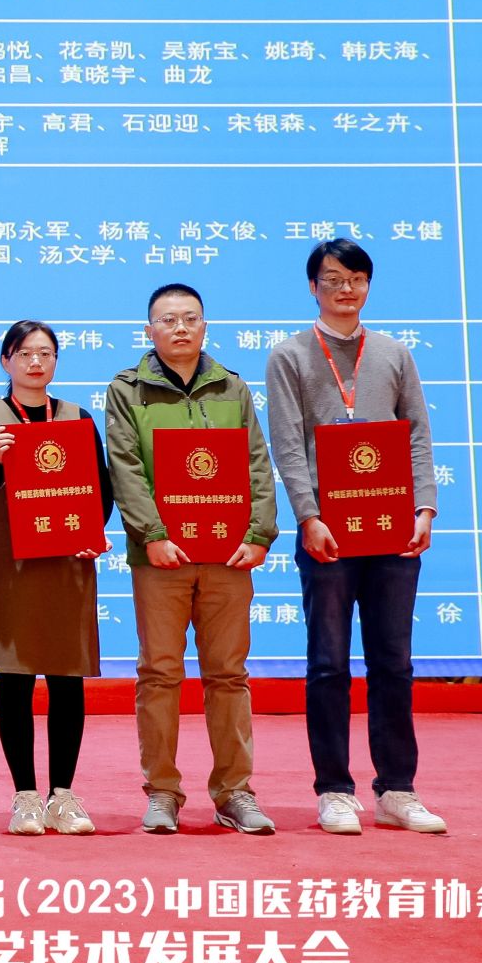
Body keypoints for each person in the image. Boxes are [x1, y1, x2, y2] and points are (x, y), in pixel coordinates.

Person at [266, 239, 445, 835]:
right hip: (328, 534)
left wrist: (424, 507)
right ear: (312, 287)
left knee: (394, 663)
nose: (346, 288)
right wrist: (307, 516)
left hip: (393, 531)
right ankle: (334, 791)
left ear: (369, 285)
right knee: (328, 665)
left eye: (357, 278)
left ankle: (397, 789)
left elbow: (416, 432)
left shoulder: (393, 352)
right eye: (333, 278)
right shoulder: (289, 355)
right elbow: (288, 442)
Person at [106, 282, 279, 836]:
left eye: (190, 318)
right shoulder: (127, 390)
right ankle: (162, 792)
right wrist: (152, 535)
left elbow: (256, 461)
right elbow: (125, 467)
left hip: (228, 555)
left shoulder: (232, 387)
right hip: (160, 558)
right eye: (168, 319)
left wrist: (260, 533)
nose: (180, 328)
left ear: (205, 326)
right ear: (149, 330)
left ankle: (235, 791)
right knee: (159, 674)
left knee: (228, 675)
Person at [0, 319, 114, 837]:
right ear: (6, 360)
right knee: (16, 676)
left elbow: (102, 490)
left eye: (45, 353)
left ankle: (62, 796)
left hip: (67, 559)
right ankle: (25, 797)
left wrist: (93, 532)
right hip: (11, 565)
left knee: (68, 677)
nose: (35, 362)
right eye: (24, 353)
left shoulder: (77, 417)